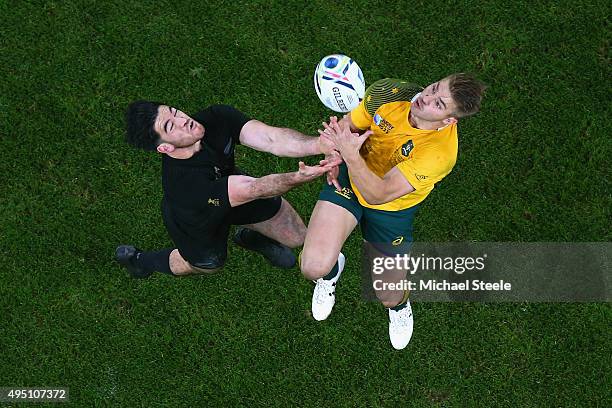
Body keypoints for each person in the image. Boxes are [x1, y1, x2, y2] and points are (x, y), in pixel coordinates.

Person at [300, 74, 486, 349]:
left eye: (438, 104)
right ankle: (330, 273)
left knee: (388, 294)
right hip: (350, 182)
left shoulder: (440, 154)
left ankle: (399, 308)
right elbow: (349, 124)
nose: (425, 99)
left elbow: (379, 194)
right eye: (433, 88)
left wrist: (349, 155)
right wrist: (334, 152)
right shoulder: (389, 92)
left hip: (391, 207)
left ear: (449, 120)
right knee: (313, 266)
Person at [116, 102, 337, 278]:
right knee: (207, 264)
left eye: (175, 112)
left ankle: (252, 239)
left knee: (298, 236)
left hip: (231, 188)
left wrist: (319, 145)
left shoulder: (215, 118)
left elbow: (271, 139)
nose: (184, 120)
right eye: (171, 126)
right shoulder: (186, 186)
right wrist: (298, 177)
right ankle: (140, 261)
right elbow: (255, 188)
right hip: (198, 220)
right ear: (164, 147)